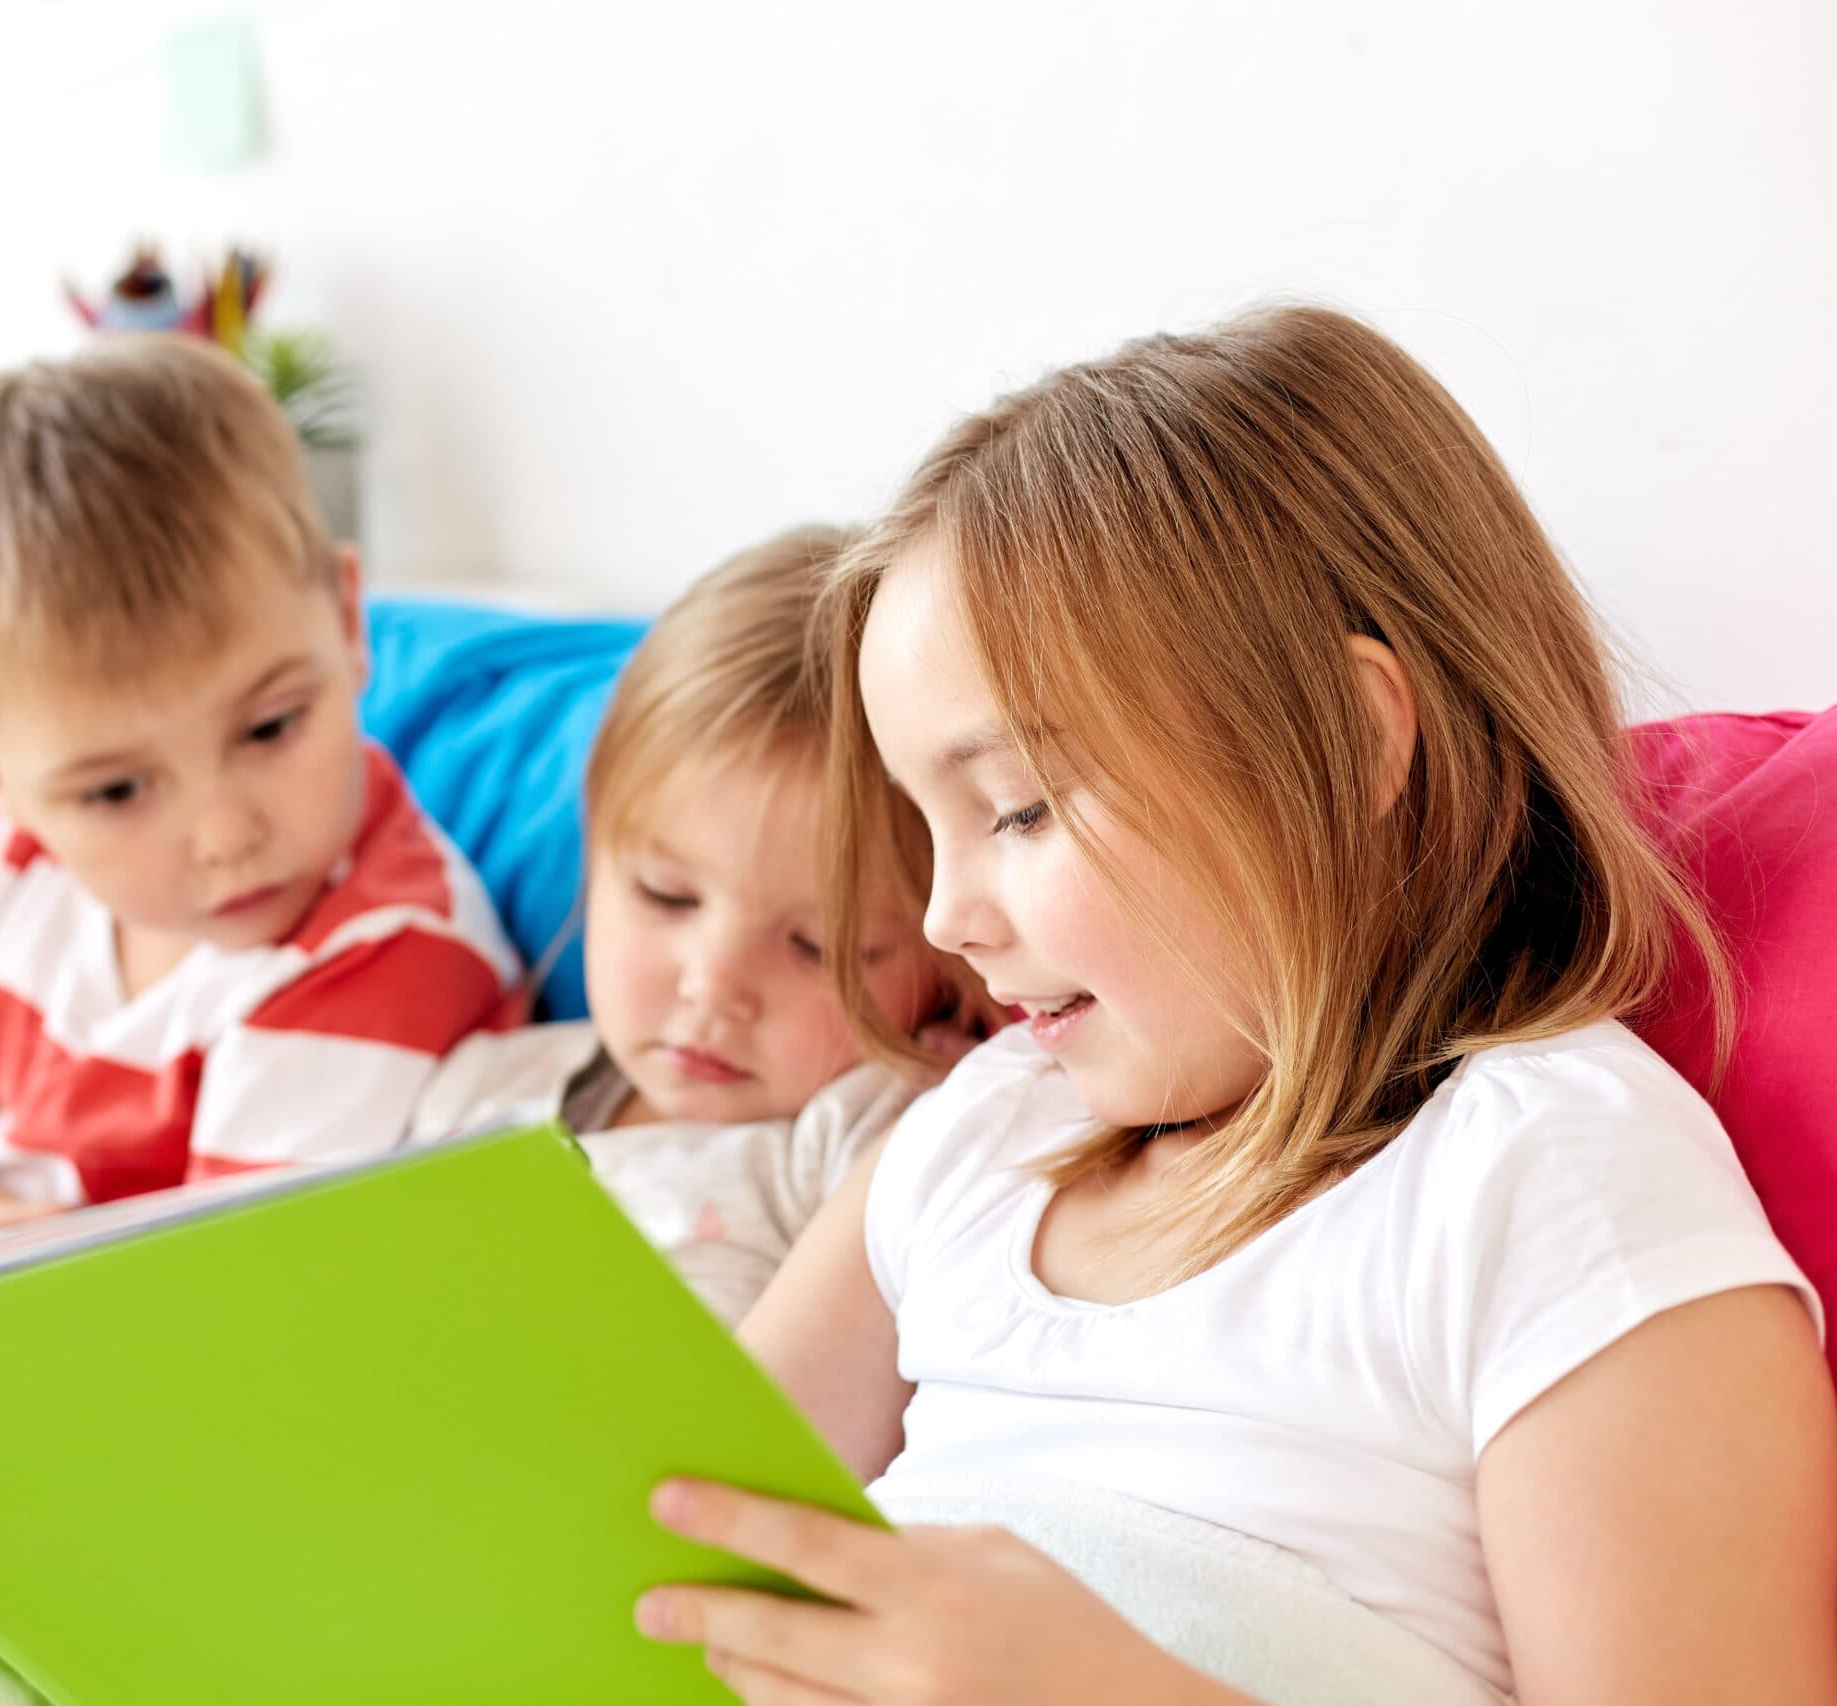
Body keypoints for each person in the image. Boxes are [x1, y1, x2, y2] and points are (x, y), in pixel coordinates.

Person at [634, 306, 1837, 1703]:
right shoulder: (970, 1149)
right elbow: (656, 1548)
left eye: (1017, 807)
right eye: (930, 829)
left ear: (1346, 742)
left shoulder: (1548, 1185)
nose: (946, 917)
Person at [0, 334, 516, 1256]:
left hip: (187, 1308)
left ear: (348, 622)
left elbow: (231, 1292)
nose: (225, 835)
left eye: (269, 730)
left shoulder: (383, 947)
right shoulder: (17, 869)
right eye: (115, 791)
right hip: (25, 1271)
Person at [410, 526, 983, 1324]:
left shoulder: (870, 1134)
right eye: (665, 896)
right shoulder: (475, 1091)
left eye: (816, 948)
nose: (712, 988)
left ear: (947, 965)